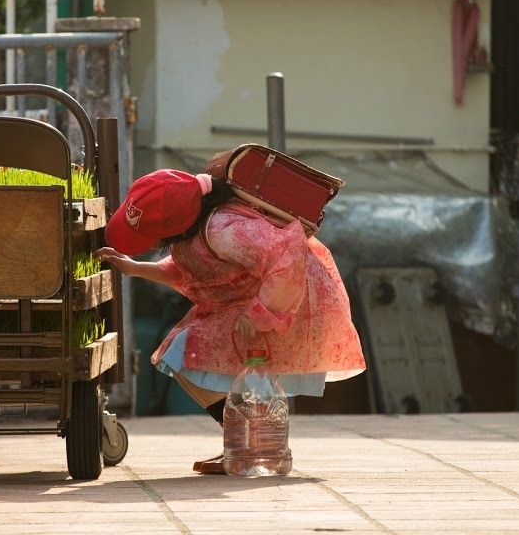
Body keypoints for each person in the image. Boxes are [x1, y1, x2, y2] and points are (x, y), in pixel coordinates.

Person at [96, 168, 367, 474]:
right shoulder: (200, 226)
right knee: (185, 354)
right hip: (256, 299)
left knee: (187, 352)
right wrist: (134, 268)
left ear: (174, 228)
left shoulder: (224, 229)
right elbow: (192, 266)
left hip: (287, 302)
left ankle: (251, 443)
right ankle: (248, 442)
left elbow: (285, 254)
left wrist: (262, 312)